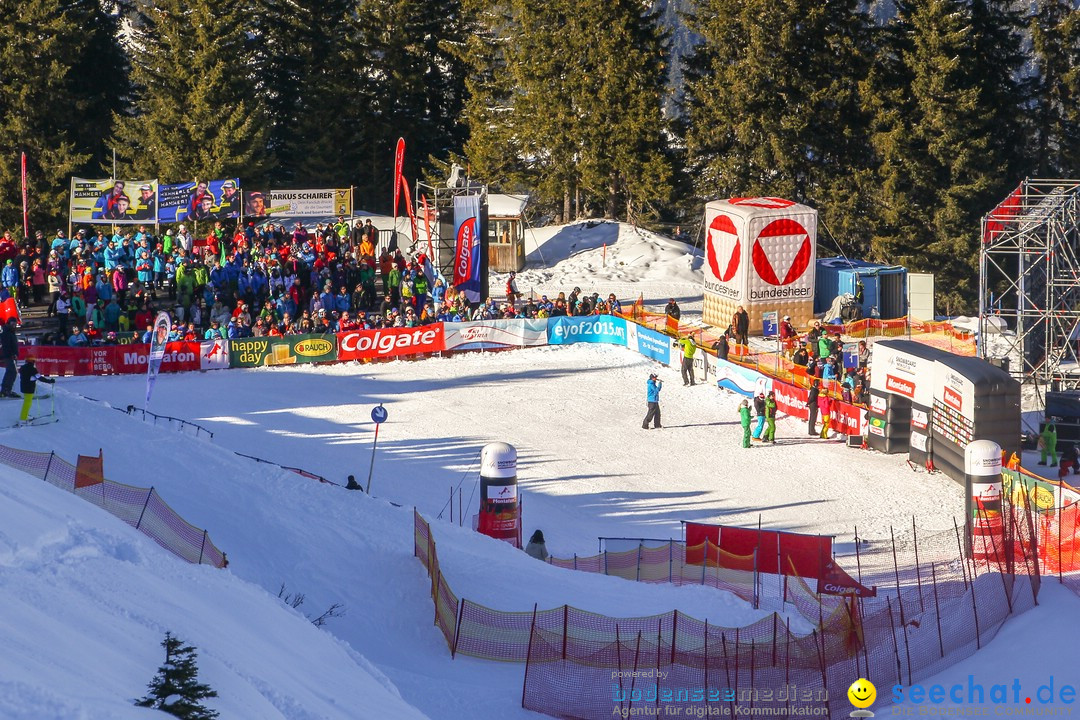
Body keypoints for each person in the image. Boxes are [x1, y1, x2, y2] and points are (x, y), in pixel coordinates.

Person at [17, 357, 54, 423]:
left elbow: (26, 377)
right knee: (27, 403)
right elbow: (39, 377)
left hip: (23, 387)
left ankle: (25, 415)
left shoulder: (22, 368)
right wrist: (49, 381)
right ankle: (23, 418)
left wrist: (32, 378)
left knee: (27, 402)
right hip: (29, 388)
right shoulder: (32, 369)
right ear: (33, 362)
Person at [0, 317, 19, 397]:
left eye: (15, 324)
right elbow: (7, 345)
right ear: (9, 323)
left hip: (11, 355)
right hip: (8, 355)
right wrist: (12, 354)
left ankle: (6, 390)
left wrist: (15, 353)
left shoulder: (11, 332)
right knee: (12, 371)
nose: (14, 326)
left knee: (11, 372)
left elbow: (14, 344)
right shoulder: (6, 332)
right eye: (12, 324)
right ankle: (6, 390)